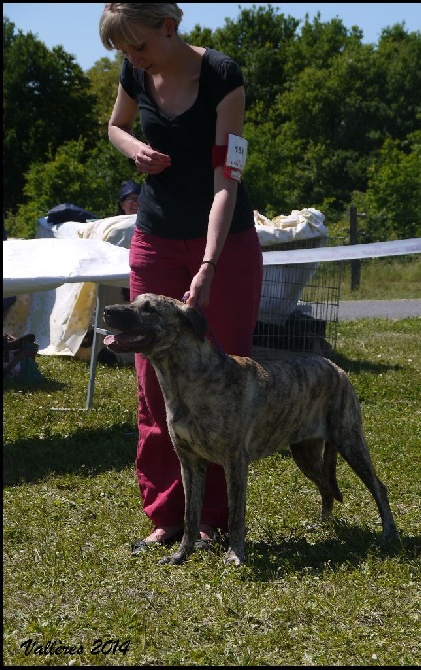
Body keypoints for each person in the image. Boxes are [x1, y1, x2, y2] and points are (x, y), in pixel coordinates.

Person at [99, 3, 263, 553]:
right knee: (154, 383)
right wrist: (133, 149)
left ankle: (215, 517)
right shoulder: (134, 71)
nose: (132, 59)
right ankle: (170, 516)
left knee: (221, 381)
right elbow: (114, 126)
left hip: (226, 244)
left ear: (168, 27)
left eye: (137, 46)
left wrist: (210, 263)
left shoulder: (222, 75)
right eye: (123, 52)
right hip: (155, 240)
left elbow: (227, 177)